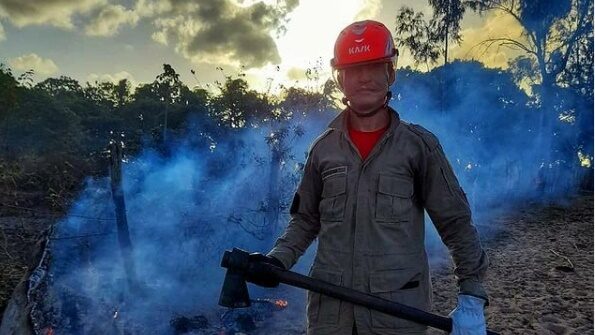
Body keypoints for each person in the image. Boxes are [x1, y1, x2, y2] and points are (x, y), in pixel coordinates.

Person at [250, 20, 489, 335]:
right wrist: (277, 261)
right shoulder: (323, 150)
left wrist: (471, 295)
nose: (364, 77)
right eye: (353, 69)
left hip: (397, 317)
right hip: (331, 317)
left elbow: (456, 223)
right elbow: (305, 220)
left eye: (374, 66)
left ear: (390, 73)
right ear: (340, 80)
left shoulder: (419, 146)